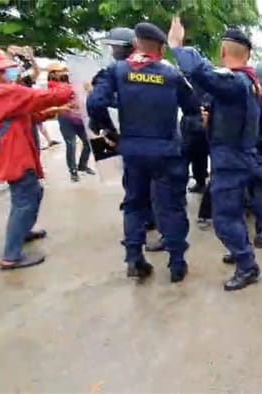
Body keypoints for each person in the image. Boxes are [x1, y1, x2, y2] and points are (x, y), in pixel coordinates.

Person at [87, 22, 196, 283]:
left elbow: (94, 101)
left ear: (136, 44)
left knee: (135, 205)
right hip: (166, 152)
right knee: (170, 207)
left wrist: (109, 132)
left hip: (133, 150)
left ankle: (135, 259)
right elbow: (192, 108)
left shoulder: (117, 71)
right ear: (160, 47)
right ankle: (177, 264)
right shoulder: (171, 75)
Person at [169, 17, 262, 291]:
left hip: (231, 161)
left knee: (224, 220)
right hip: (240, 157)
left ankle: (247, 265)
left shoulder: (235, 81)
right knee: (234, 215)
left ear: (224, 53)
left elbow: (200, 72)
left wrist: (177, 46)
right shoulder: (249, 82)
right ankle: (242, 251)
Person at [0, 47, 74, 269]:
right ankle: (11, 256)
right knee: (25, 199)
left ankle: (24, 231)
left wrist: (57, 110)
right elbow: (44, 97)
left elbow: (28, 113)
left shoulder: (2, 94)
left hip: (11, 154)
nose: (8, 73)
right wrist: (70, 83)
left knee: (31, 194)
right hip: (15, 156)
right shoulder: (4, 92)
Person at [47, 63, 95, 182]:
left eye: (64, 71)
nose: (63, 73)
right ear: (52, 73)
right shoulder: (52, 85)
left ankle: (82, 166)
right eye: (59, 71)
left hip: (78, 117)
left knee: (88, 142)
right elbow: (62, 94)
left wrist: (87, 90)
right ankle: (73, 170)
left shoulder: (70, 84)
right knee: (71, 144)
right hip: (65, 117)